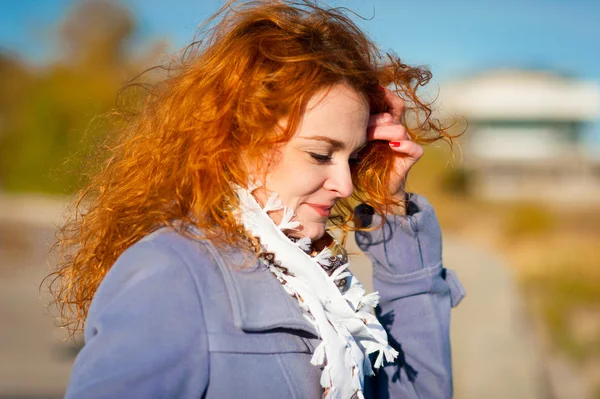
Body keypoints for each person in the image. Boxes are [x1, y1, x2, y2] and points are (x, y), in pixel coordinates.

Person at [49, 1, 465, 398]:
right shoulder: (171, 272)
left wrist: (391, 208)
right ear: (236, 138)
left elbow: (417, 390)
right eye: (320, 153)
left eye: (353, 157)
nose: (345, 183)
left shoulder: (312, 276)